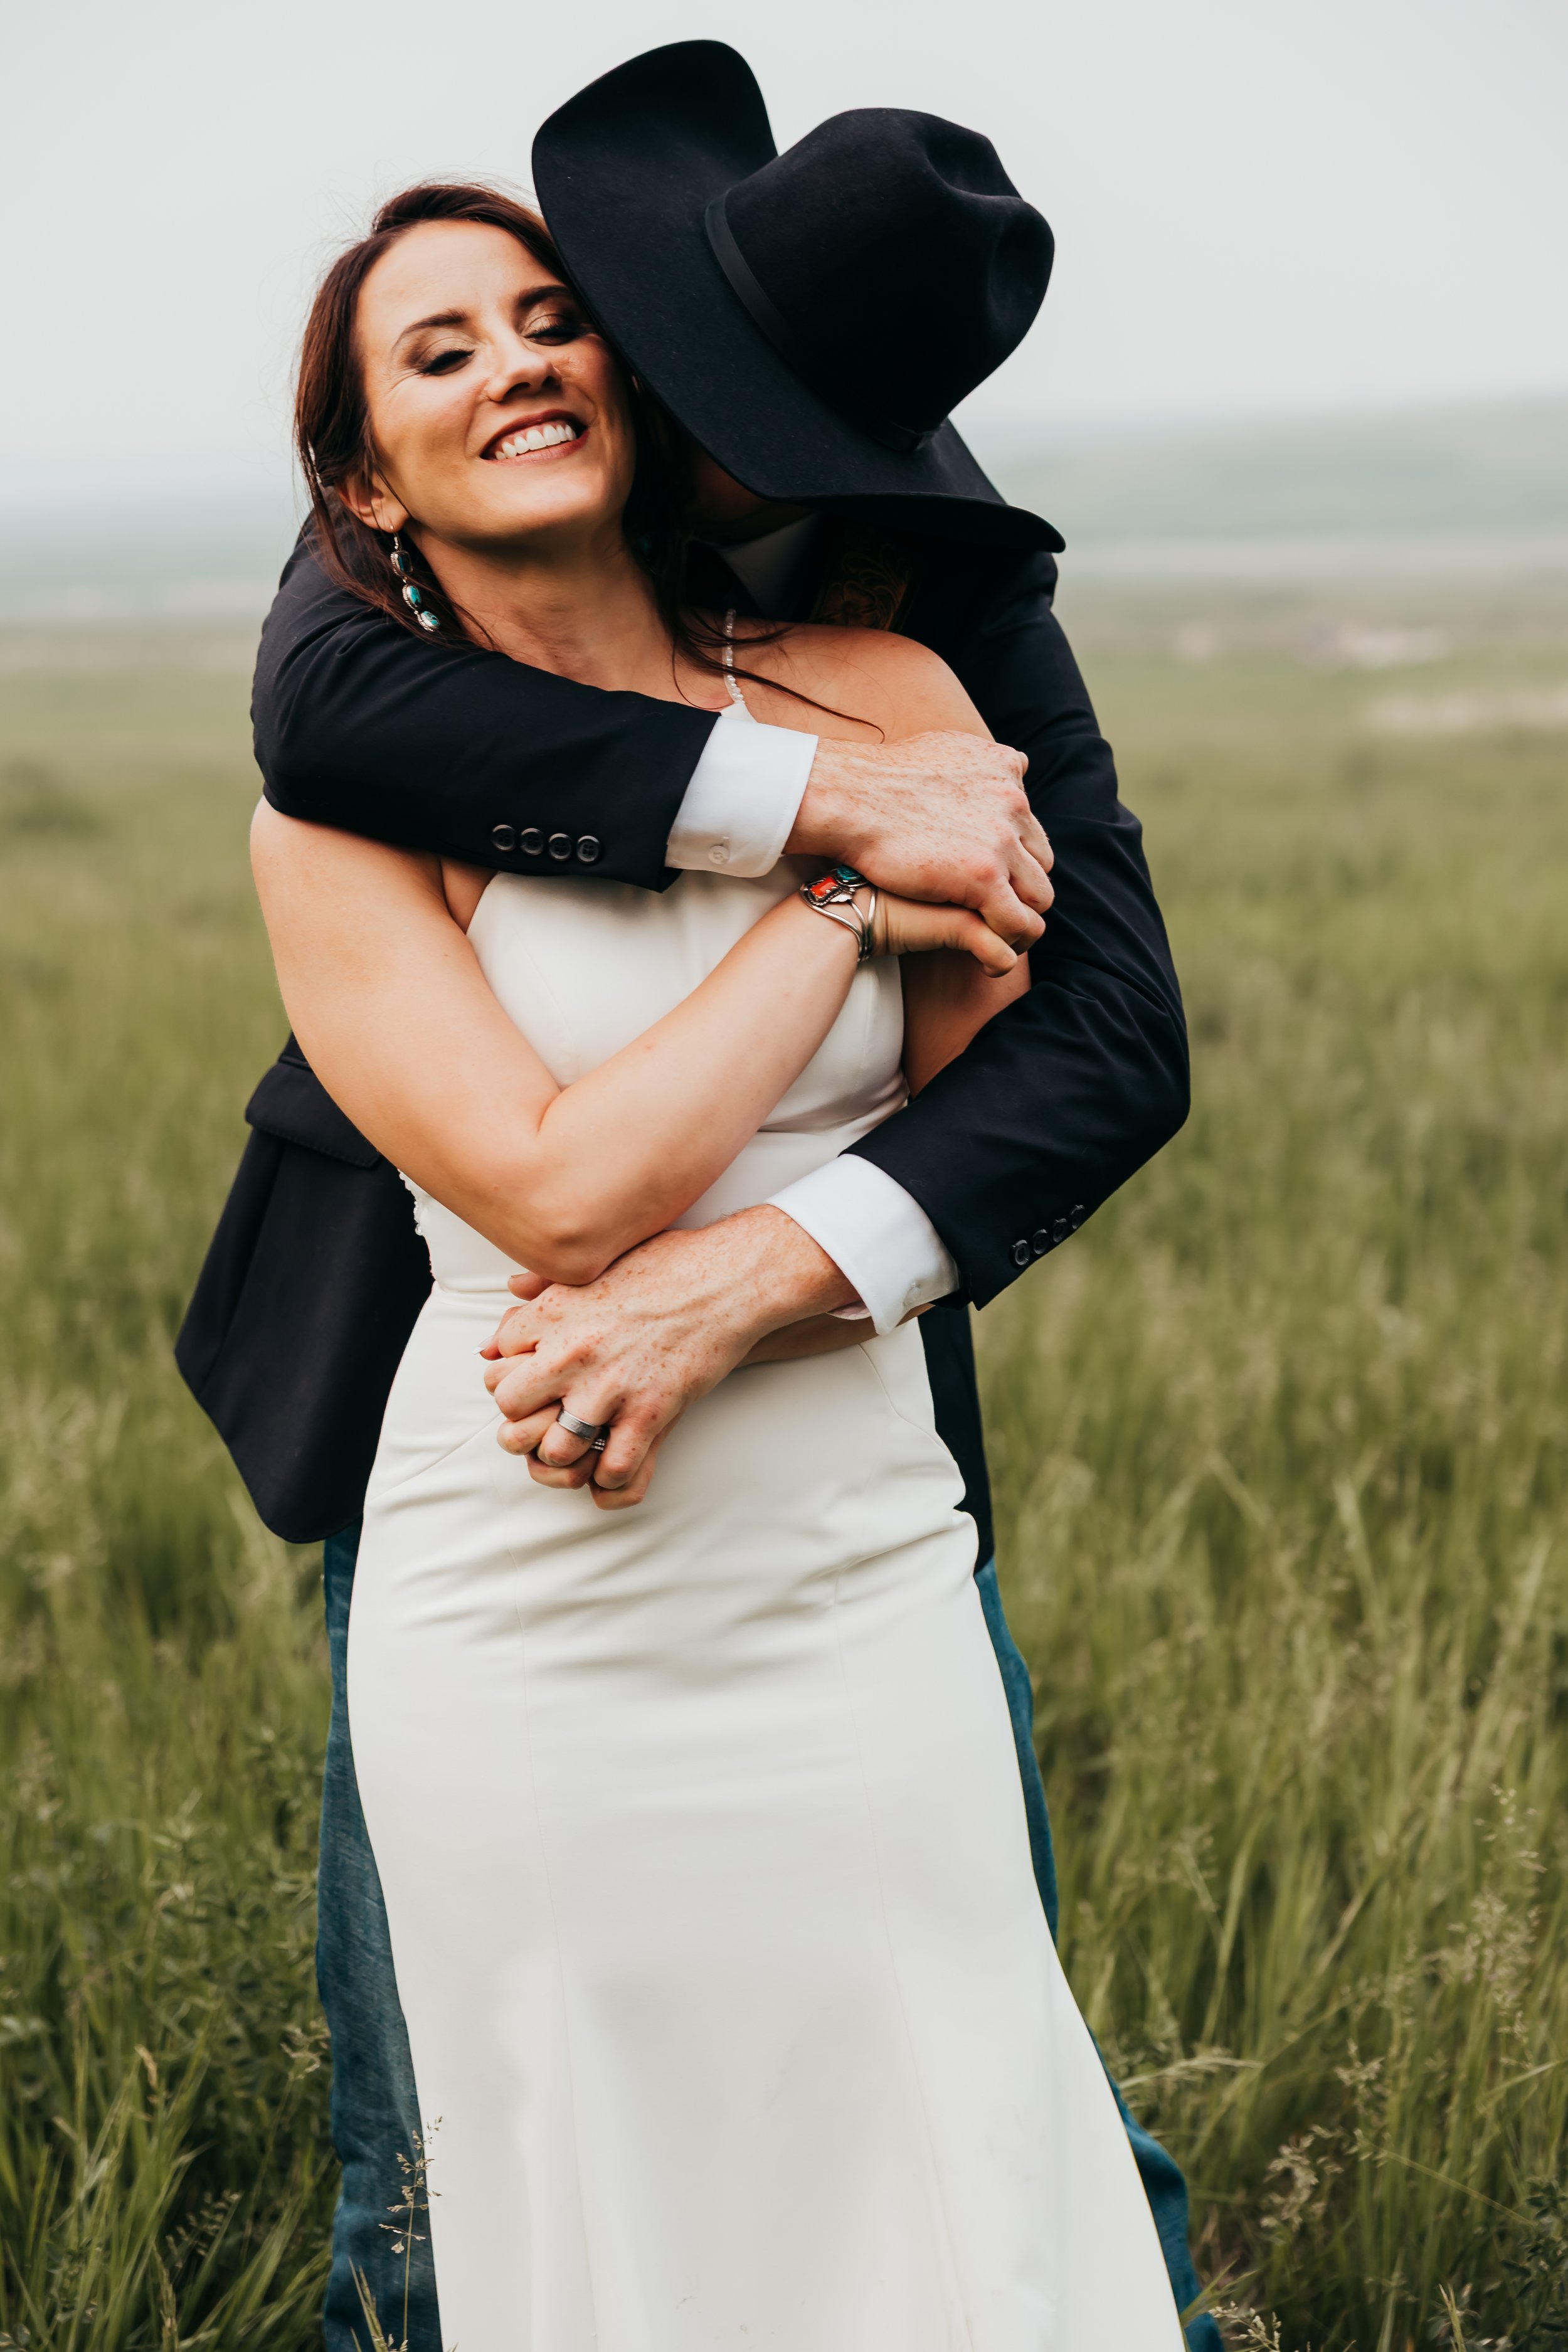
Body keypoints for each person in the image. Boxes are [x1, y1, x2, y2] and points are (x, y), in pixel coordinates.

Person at [178, 42, 1212, 2348]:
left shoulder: (926, 619)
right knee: (459, 2134)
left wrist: (754, 1276)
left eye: (562, 337)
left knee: (967, 2080)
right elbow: (335, 749)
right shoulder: (379, 614)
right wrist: (835, 844)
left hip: (836, 1473)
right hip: (465, 1418)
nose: (546, 370)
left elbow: (1100, 1041)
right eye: (486, 342)